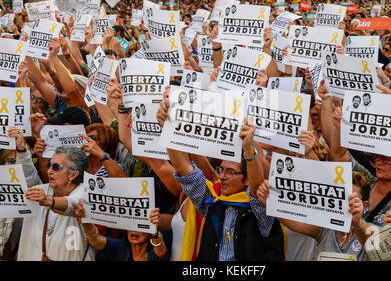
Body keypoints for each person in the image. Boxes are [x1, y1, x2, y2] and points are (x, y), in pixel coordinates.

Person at [157, 97, 285, 260]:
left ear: (246, 179)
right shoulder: (212, 201)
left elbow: (256, 189)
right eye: (221, 169)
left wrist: (249, 149)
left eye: (231, 172)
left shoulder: (260, 211)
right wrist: (169, 129)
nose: (222, 176)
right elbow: (185, 170)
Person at [9, 124, 94, 260]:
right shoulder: (42, 190)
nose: (49, 171)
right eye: (49, 165)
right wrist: (21, 148)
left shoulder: (86, 192)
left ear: (73, 175)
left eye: (56, 167)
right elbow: (28, 175)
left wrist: (47, 201)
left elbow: (71, 203)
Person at [256, 171, 371, 261]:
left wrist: (357, 222)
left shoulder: (371, 230)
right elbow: (296, 224)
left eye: (351, 199)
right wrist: (271, 203)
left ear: (364, 205)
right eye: (341, 197)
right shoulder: (327, 227)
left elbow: (376, 244)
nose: (346, 203)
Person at [74, 200, 172, 261]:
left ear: (149, 232)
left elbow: (161, 253)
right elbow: (97, 241)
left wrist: (154, 233)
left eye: (139, 225)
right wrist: (85, 221)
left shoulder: (153, 249)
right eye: (131, 224)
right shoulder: (122, 246)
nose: (134, 229)